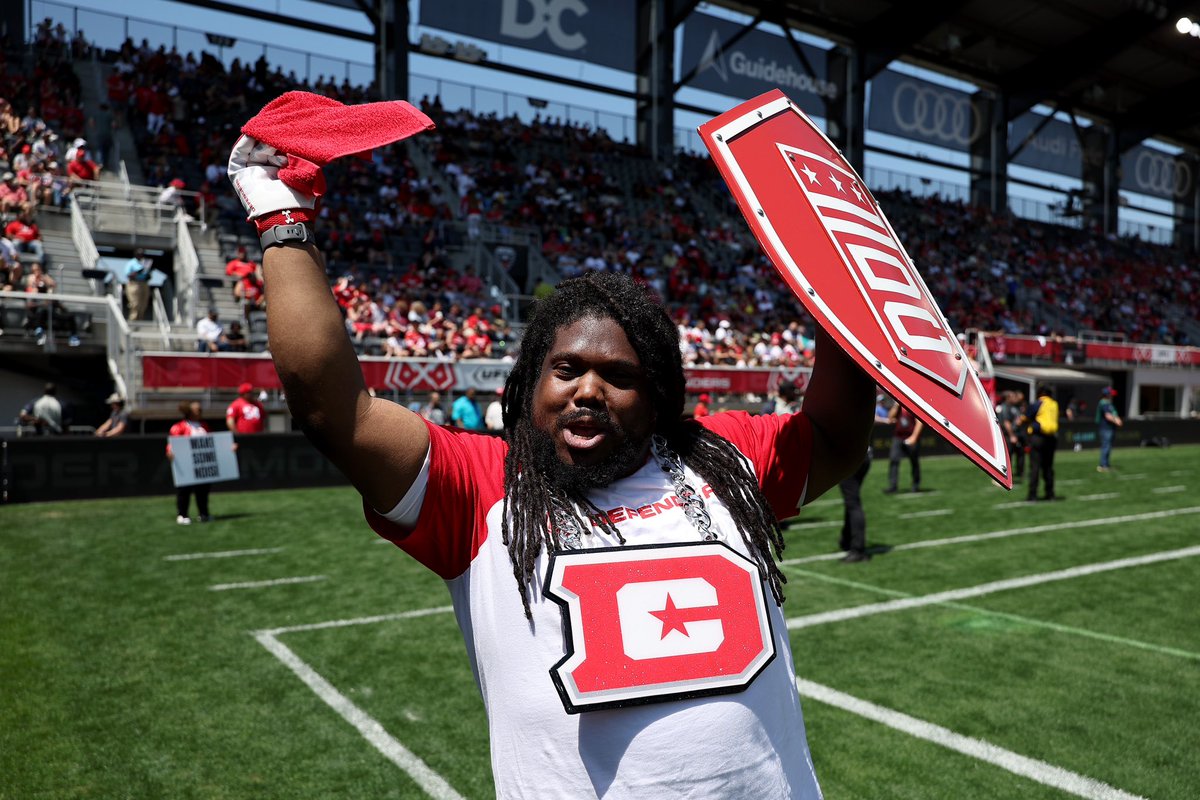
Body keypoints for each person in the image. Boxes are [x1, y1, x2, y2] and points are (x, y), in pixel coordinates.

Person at [230, 123, 876, 797]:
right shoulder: (478, 489)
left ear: (657, 398)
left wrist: (837, 281)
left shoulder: (720, 456)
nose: (589, 391)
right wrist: (283, 220)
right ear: (530, 384)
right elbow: (334, 411)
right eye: (566, 369)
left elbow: (835, 435)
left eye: (619, 376)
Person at [167, 399, 212, 524]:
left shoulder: (204, 426)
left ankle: (203, 513)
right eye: (198, 409)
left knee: (203, 490)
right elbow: (173, 443)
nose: (200, 411)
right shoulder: (179, 427)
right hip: (186, 464)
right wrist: (170, 452)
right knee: (184, 490)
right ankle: (182, 514)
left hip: (202, 464)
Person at [1025, 385, 1060, 501]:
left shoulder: (1038, 403)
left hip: (1038, 437)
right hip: (1051, 438)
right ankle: (1050, 494)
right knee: (1048, 467)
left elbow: (1026, 417)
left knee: (1035, 467)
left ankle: (1032, 495)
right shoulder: (1055, 404)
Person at [838, 450, 872, 563]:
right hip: (865, 456)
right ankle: (846, 540)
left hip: (850, 459)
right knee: (851, 500)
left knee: (853, 503)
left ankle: (858, 549)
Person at [883, 403, 924, 493]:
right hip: (898, 436)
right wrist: (896, 405)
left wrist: (914, 437)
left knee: (914, 461)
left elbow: (919, 422)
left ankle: (915, 485)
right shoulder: (898, 407)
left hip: (911, 436)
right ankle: (893, 486)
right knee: (894, 459)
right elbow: (890, 417)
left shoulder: (913, 404)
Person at [996, 390, 1026, 481]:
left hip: (1018, 434)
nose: (1014, 397)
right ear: (1008, 398)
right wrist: (1012, 435)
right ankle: (1007, 474)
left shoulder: (1014, 406)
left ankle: (1019, 472)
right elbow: (1006, 423)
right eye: (1012, 396)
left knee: (1020, 454)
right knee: (1009, 455)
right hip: (1009, 436)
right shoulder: (1005, 407)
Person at [1096, 387, 1122, 472]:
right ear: (1107, 394)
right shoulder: (1103, 403)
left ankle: (1106, 464)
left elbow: (1113, 413)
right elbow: (1108, 416)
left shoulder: (1108, 403)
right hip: (1105, 428)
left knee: (1108, 447)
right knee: (1106, 446)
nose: (1111, 395)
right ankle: (1103, 465)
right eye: (1110, 394)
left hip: (1110, 428)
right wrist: (1116, 421)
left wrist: (1117, 419)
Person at [124, 248, 153, 321]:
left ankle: (140, 320)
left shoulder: (145, 263)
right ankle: (133, 321)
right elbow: (129, 275)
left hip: (144, 284)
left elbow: (148, 276)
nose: (141, 256)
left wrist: (148, 273)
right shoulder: (131, 263)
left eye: (142, 254)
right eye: (139, 254)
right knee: (135, 304)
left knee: (143, 304)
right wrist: (139, 271)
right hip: (134, 284)